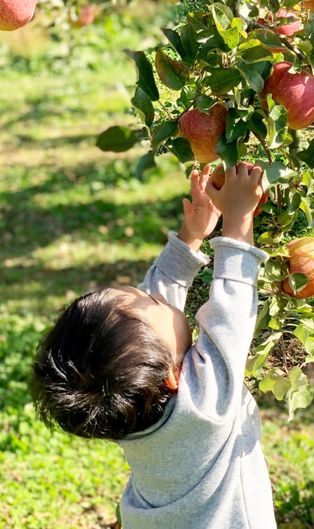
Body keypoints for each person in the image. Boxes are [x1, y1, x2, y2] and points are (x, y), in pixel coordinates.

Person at [31, 162, 277, 528]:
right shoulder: (208, 405)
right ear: (172, 375)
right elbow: (232, 309)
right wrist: (238, 219)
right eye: (157, 304)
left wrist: (192, 235)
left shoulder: (130, 408)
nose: (157, 296)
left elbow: (157, 302)